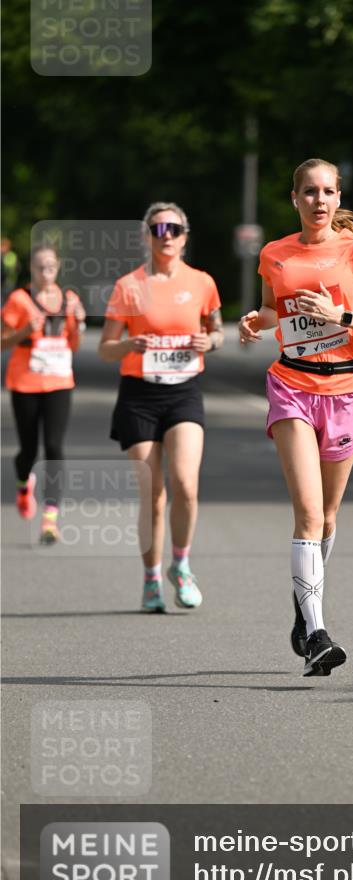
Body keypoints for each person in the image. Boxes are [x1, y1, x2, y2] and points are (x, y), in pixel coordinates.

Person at [239, 157, 353, 676]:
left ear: (338, 199)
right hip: (291, 385)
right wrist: (255, 320)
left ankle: (301, 607)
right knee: (309, 515)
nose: (319, 201)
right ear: (295, 199)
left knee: (329, 518)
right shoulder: (275, 254)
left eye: (328, 192)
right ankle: (316, 633)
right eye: (309, 192)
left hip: (347, 389)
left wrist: (343, 316)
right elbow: (276, 310)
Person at [98, 202, 223, 613]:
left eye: (173, 228)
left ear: (185, 236)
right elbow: (104, 348)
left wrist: (211, 341)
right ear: (147, 236)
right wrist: (127, 345)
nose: (165, 235)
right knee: (153, 494)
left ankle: (181, 565)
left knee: (186, 483)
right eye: (157, 229)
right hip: (139, 395)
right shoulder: (128, 286)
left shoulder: (202, 282)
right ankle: (151, 577)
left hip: (184, 391)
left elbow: (217, 329)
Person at [1, 244, 85, 543]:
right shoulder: (19, 300)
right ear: (31, 269)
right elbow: (2, 341)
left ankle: (50, 519)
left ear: (58, 267)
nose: (46, 272)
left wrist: (81, 323)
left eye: (50, 266)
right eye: (40, 267)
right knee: (28, 449)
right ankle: (24, 484)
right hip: (25, 382)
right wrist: (24, 331)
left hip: (60, 382)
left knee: (54, 447)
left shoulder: (69, 299)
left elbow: (73, 344)